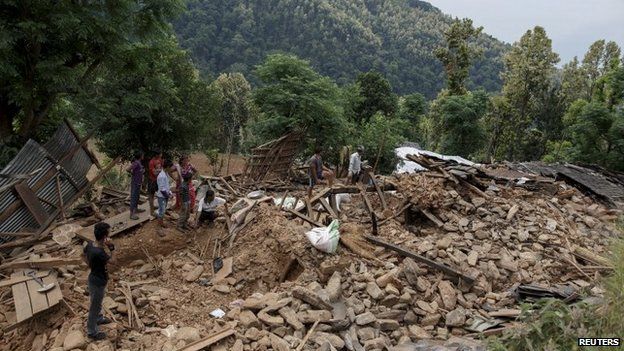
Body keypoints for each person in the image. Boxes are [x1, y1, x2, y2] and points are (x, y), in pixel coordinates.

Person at [83, 222, 114, 340]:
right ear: (105, 236)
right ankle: (92, 331)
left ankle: (99, 318)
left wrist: (91, 265)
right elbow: (114, 260)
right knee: (94, 307)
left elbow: (83, 256)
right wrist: (111, 247)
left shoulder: (90, 245)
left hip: (94, 278)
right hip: (98, 281)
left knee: (97, 301)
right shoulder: (100, 252)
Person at [126, 151, 145, 220]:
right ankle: (131, 214)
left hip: (138, 182)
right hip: (135, 182)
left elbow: (139, 171)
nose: (143, 156)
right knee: (134, 197)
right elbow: (128, 169)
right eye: (142, 155)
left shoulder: (139, 163)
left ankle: (136, 209)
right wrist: (132, 174)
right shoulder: (136, 163)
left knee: (137, 196)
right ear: (140, 156)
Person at [156, 160, 173, 228]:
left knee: (162, 210)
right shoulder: (162, 176)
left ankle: (161, 223)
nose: (171, 169)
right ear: (168, 167)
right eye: (171, 167)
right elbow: (162, 189)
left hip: (164, 196)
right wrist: (168, 195)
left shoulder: (165, 174)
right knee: (162, 211)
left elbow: (166, 186)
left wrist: (169, 193)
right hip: (162, 196)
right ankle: (160, 225)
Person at [147, 149, 163, 216]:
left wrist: (159, 170)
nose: (161, 155)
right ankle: (151, 212)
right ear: (156, 155)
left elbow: (161, 168)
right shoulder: (151, 162)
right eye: (160, 154)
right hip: (152, 181)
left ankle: (155, 207)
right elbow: (154, 173)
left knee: (160, 194)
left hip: (158, 180)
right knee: (151, 196)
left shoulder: (159, 160)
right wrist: (161, 170)